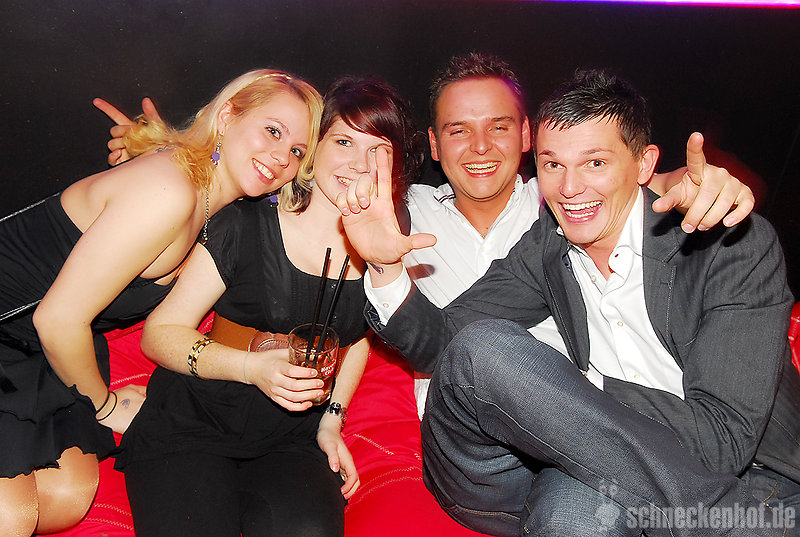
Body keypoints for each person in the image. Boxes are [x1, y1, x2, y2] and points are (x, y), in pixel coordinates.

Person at [338, 68, 798, 537]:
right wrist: (384, 267)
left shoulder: (727, 244)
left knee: (567, 508)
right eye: (553, 165)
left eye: (594, 163)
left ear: (644, 165)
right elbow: (446, 346)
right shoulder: (549, 245)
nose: (570, 188)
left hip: (754, 483)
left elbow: (723, 441)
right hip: (587, 465)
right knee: (484, 352)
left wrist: (569, 390)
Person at [0, 68, 321, 536]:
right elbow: (57, 319)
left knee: (66, 498)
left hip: (30, 352)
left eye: (297, 151)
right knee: (11, 516)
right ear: (227, 116)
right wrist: (107, 406)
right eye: (273, 130)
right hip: (30, 331)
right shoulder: (168, 190)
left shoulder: (215, 203)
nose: (281, 157)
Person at [114, 77, 423, 537]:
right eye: (343, 142)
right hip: (194, 422)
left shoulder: (386, 238)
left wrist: (331, 421)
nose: (360, 164)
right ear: (314, 148)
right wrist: (251, 368)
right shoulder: (245, 224)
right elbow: (160, 333)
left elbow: (357, 337)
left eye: (378, 150)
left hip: (291, 439)